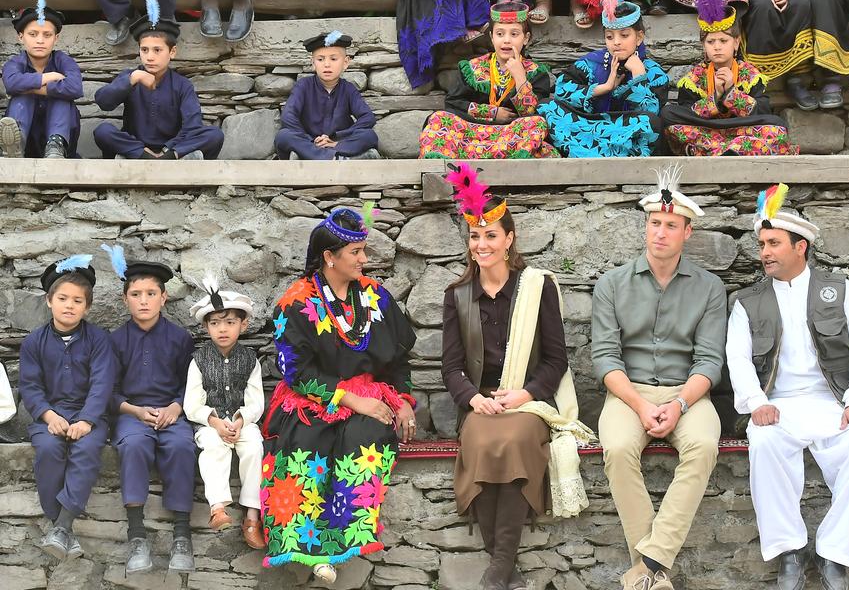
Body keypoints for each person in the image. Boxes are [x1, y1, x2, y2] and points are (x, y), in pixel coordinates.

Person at [441, 164, 592, 590]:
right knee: (483, 439)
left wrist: (524, 395)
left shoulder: (537, 287)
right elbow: (451, 368)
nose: (482, 243)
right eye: (475, 235)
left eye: (491, 235)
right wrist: (474, 399)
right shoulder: (457, 297)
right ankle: (504, 569)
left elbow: (556, 359)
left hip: (529, 402)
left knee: (513, 439)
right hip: (480, 402)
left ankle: (497, 569)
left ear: (509, 240)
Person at [727, 184, 849, 590]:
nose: (765, 252)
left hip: (833, 402)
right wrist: (757, 401)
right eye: (762, 243)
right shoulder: (748, 301)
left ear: (801, 247)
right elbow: (738, 359)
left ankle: (833, 554)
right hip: (777, 403)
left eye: (774, 243)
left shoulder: (841, 290)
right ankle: (790, 550)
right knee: (764, 444)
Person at [261, 207, 416, 584]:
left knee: (368, 437)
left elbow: (398, 360)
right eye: (356, 253)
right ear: (330, 257)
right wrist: (350, 399)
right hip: (315, 396)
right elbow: (296, 373)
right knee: (306, 440)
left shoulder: (376, 296)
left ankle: (347, 539)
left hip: (372, 393)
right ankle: (309, 547)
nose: (364, 259)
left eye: (364, 250)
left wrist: (404, 402)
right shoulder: (296, 302)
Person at [591, 166, 726, 590]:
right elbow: (605, 357)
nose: (660, 233)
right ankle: (656, 571)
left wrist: (679, 404)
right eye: (654, 223)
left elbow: (709, 361)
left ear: (687, 232)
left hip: (687, 394)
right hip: (629, 394)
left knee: (704, 444)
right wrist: (642, 405)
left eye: (671, 225)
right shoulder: (612, 285)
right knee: (615, 447)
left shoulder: (708, 287)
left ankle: (647, 568)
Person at [106, 250, 196, 574]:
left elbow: (192, 383)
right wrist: (135, 410)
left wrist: (176, 406)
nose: (143, 301)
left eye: (151, 294)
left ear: (164, 297)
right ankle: (137, 535)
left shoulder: (180, 338)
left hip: (173, 414)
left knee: (183, 446)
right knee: (133, 445)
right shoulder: (114, 341)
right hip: (132, 416)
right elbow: (108, 390)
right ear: (125, 298)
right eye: (135, 294)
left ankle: (183, 535)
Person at [19, 256, 113, 561]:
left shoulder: (99, 340)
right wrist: (48, 415)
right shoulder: (34, 342)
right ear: (49, 301)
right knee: (48, 449)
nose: (69, 306)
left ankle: (62, 526)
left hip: (90, 416)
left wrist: (87, 419)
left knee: (86, 451)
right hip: (49, 415)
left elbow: (102, 384)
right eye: (62, 299)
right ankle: (61, 527)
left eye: (77, 300)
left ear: (87, 307)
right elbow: (30, 386)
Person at [662, 0, 794, 156]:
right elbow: (686, 112)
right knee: (668, 114)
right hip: (707, 129)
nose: (717, 47)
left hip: (742, 130)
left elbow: (762, 110)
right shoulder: (694, 78)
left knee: (777, 125)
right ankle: (734, 148)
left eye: (723, 41)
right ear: (704, 46)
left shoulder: (750, 74)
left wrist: (731, 92)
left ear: (736, 43)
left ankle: (711, 150)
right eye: (711, 41)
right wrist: (716, 97)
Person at [183, 274, 265, 549]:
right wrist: (215, 422)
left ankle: (252, 515)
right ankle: (217, 506)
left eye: (230, 322)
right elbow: (191, 403)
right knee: (213, 447)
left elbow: (256, 400)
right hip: (211, 422)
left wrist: (242, 420)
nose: (222, 329)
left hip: (242, 422)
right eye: (215, 323)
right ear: (206, 327)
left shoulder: (250, 359)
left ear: (243, 324)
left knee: (253, 447)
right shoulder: (199, 360)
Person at [419, 2, 559, 159]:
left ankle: (515, 161)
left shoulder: (536, 72)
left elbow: (531, 113)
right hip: (473, 133)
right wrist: (492, 113)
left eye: (514, 34)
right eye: (500, 34)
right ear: (492, 37)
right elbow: (453, 103)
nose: (506, 40)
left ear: (526, 38)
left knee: (538, 123)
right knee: (439, 119)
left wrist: (520, 78)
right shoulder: (473, 68)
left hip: (512, 135)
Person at [94, 0, 225, 160]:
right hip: (136, 148)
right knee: (103, 131)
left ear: (172, 52)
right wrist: (133, 78)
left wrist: (168, 150)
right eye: (144, 50)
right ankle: (147, 157)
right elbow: (103, 101)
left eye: (157, 50)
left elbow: (193, 126)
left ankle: (168, 159)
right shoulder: (131, 76)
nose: (150, 57)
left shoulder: (182, 85)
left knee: (214, 134)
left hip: (171, 149)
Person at [539, 2, 669, 157]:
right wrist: (604, 88)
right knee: (545, 106)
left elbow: (651, 112)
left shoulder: (654, 73)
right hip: (588, 128)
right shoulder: (591, 63)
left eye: (624, 35)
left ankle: (585, 152)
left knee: (651, 122)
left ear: (639, 37)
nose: (616, 42)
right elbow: (561, 91)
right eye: (609, 36)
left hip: (625, 132)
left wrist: (639, 75)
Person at [273, 30, 380, 161]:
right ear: (313, 63)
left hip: (338, 142)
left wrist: (337, 139)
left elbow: (367, 118)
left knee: (369, 135)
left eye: (333, 59)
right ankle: (337, 157)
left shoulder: (348, 89)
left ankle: (318, 155)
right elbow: (288, 116)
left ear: (345, 63)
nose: (327, 64)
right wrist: (312, 140)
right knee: (283, 136)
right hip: (310, 142)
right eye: (320, 59)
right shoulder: (304, 86)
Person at [1, 0, 82, 159]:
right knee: (21, 98)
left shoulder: (64, 61)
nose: (40, 40)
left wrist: (29, 87)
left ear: (56, 38)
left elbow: (75, 88)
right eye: (33, 34)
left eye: (47, 35)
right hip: (27, 140)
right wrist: (48, 77)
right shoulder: (15, 63)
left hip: (62, 137)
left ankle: (56, 146)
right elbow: (11, 83)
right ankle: (15, 146)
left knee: (61, 97)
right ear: (21, 37)